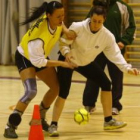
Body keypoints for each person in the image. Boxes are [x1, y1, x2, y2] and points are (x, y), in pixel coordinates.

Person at [47, 5, 139, 137]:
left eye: (100, 22)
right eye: (94, 21)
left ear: (104, 20)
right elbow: (63, 43)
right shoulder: (77, 27)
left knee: (106, 84)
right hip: (68, 60)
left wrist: (128, 68)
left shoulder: (107, 36)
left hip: (85, 62)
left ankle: (108, 121)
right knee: (63, 92)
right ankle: (53, 125)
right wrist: (67, 54)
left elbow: (115, 55)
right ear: (91, 18)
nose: (96, 24)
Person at [3, 1, 75, 139]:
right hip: (26, 57)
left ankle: (40, 119)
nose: (62, 19)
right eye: (58, 17)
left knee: (56, 88)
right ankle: (10, 126)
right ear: (48, 16)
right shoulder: (38, 38)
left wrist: (65, 30)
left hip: (39, 55)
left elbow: (60, 23)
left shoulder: (55, 20)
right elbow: (40, 62)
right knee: (31, 91)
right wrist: (62, 63)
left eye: (63, 16)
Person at [83, 0, 136, 115]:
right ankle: (89, 103)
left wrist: (123, 41)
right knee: (93, 76)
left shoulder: (123, 8)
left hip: (115, 49)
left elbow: (131, 27)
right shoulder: (96, 7)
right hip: (96, 49)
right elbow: (86, 25)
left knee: (116, 77)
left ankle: (115, 105)